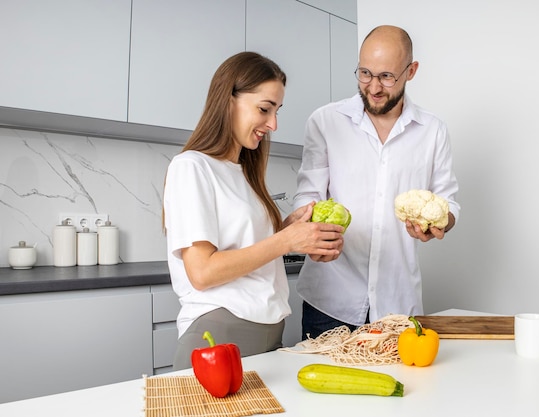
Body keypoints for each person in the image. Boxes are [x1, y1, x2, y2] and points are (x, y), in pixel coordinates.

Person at [163, 51, 344, 370]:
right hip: (219, 336)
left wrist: (293, 230)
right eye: (264, 109)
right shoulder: (191, 167)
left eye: (276, 111)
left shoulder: (244, 175)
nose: (273, 124)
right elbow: (202, 272)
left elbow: (250, 250)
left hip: (268, 335)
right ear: (228, 99)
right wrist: (287, 241)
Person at [293, 25, 460, 339]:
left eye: (386, 76)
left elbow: (448, 204)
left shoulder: (433, 131)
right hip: (329, 303)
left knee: (402, 387)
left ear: (411, 71)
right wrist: (309, 235)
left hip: (398, 305)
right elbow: (308, 197)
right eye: (365, 73)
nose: (373, 87)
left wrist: (437, 224)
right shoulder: (325, 122)